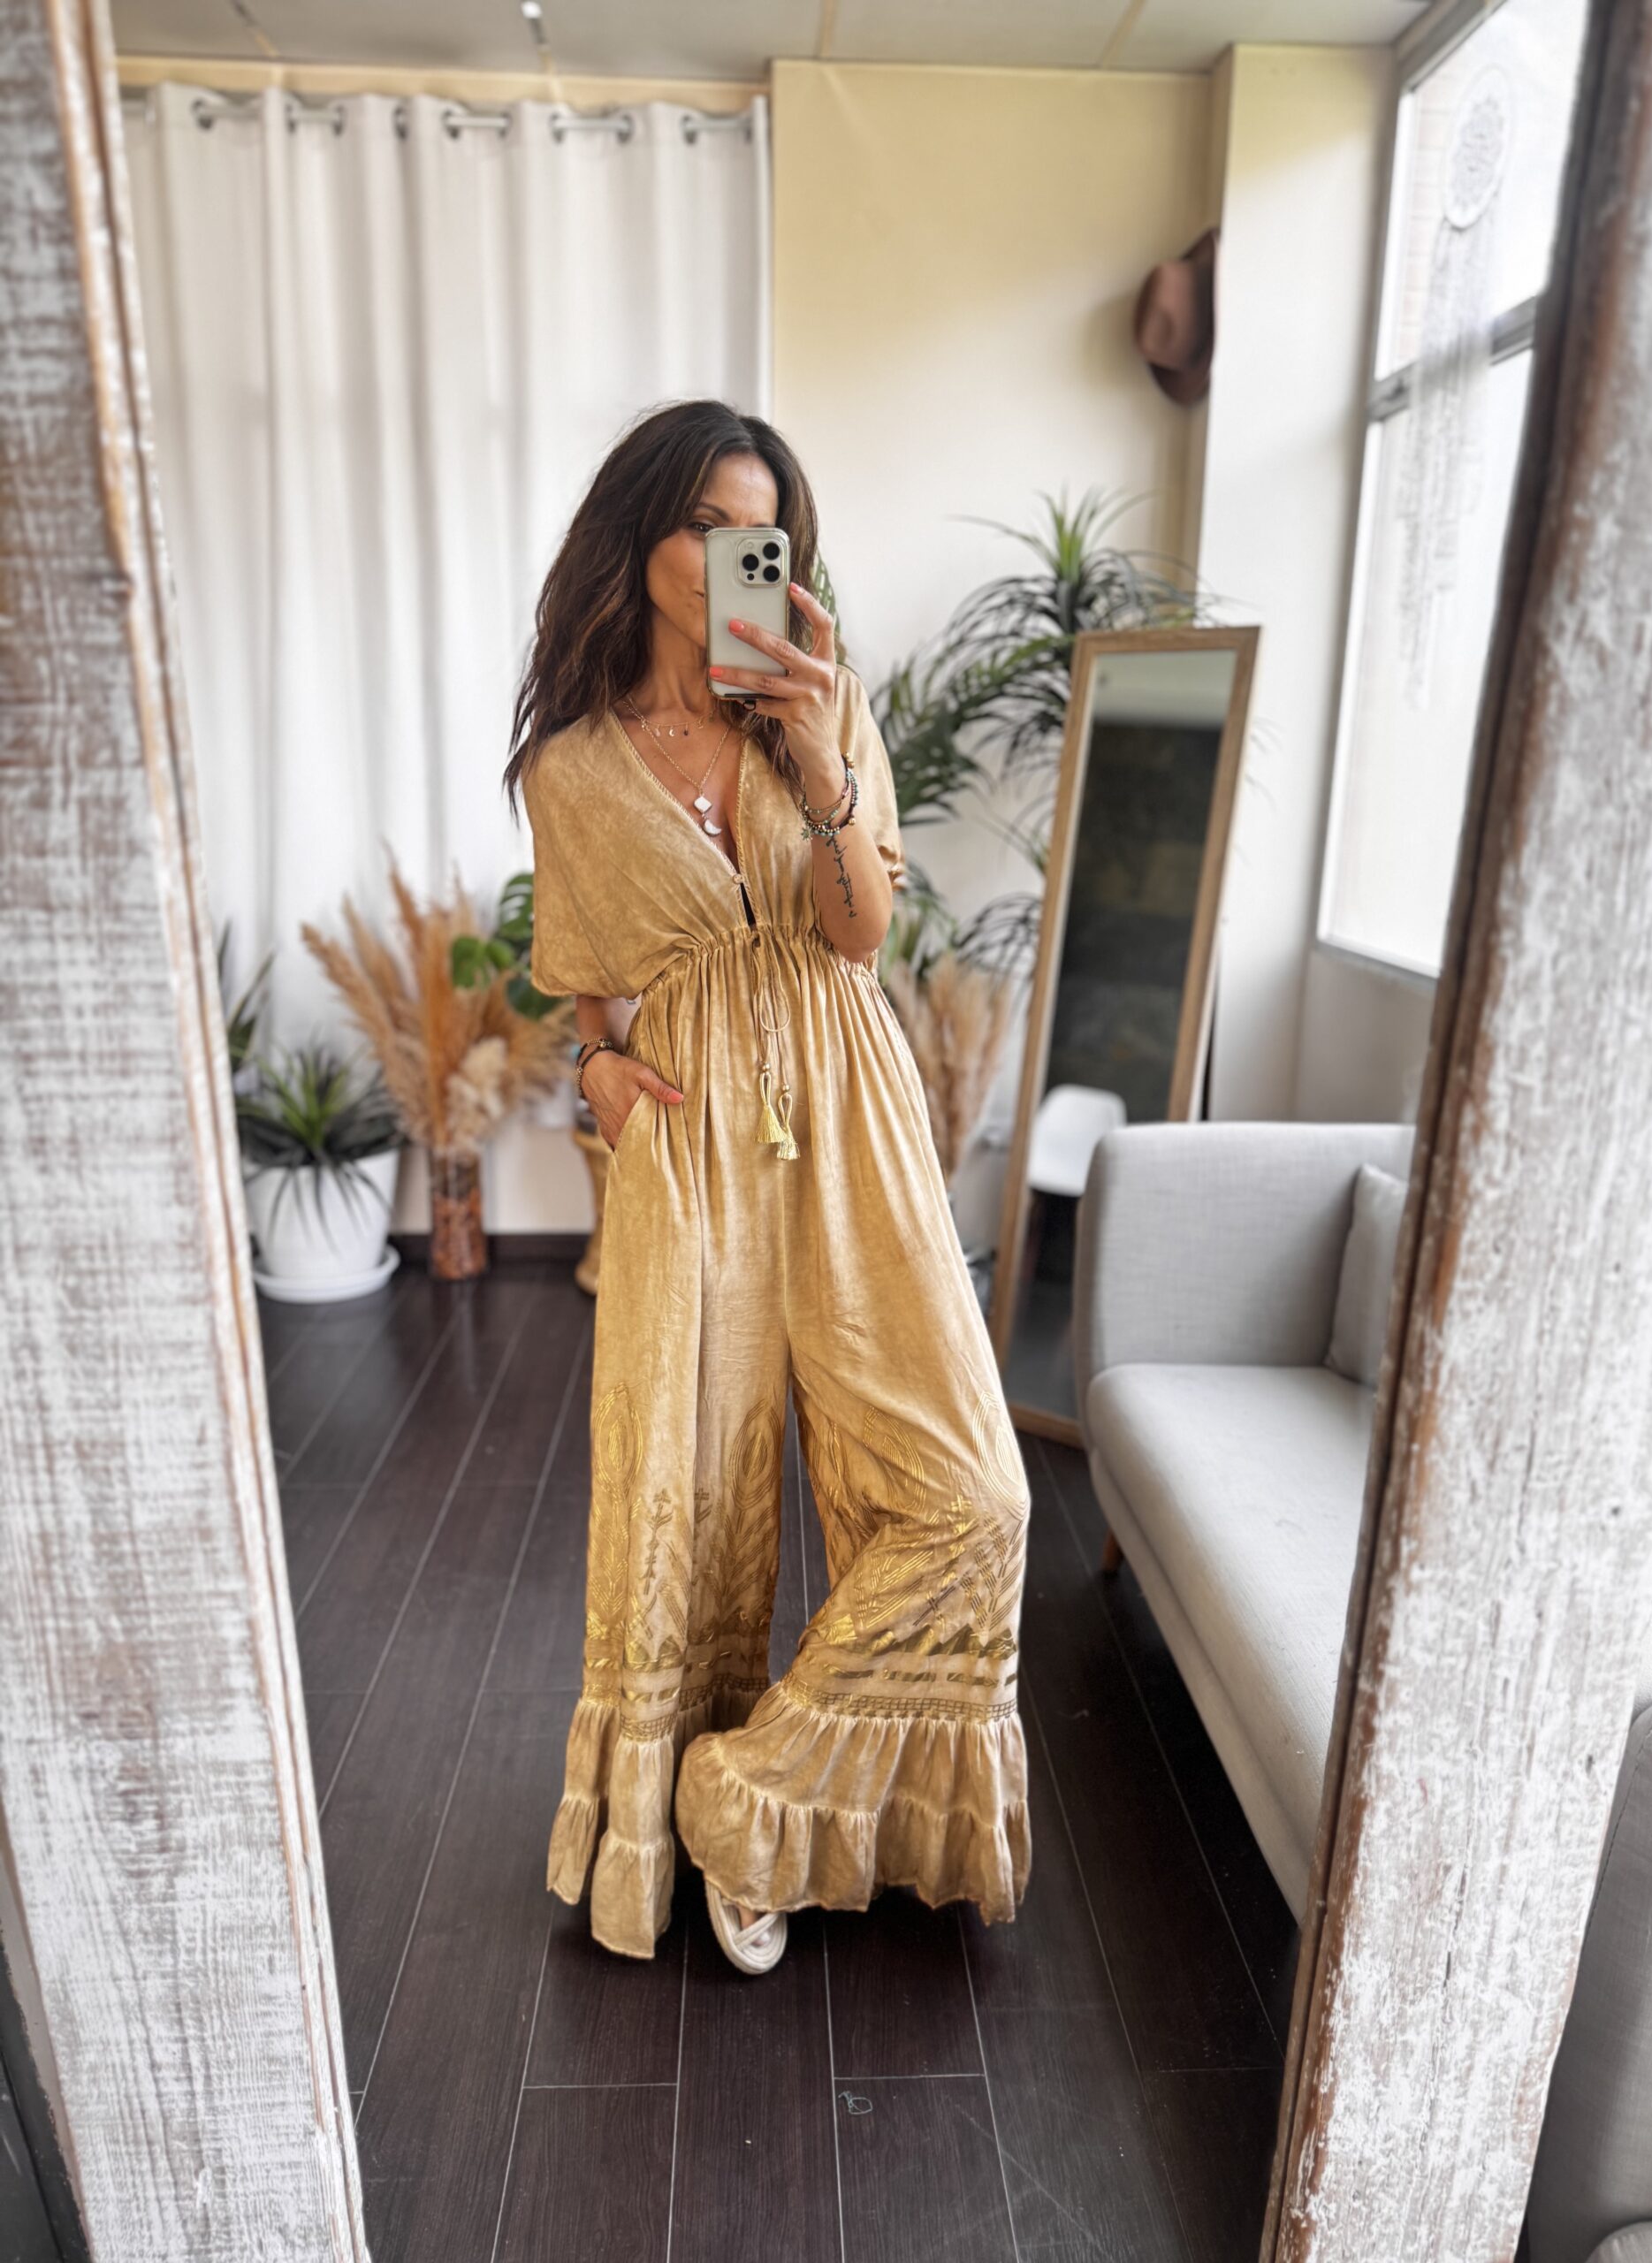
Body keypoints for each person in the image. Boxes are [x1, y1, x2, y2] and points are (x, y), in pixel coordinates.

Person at [506, 398, 1032, 1974]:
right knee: (694, 1500)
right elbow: (590, 986)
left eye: (765, 532)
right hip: (691, 1139)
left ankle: (756, 1792)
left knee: (974, 1494)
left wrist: (817, 759)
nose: (742, 554)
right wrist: (597, 1073)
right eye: (708, 525)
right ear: (641, 539)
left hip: (851, 1107)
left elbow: (859, 932)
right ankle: (707, 1843)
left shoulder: (824, 702)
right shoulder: (571, 770)